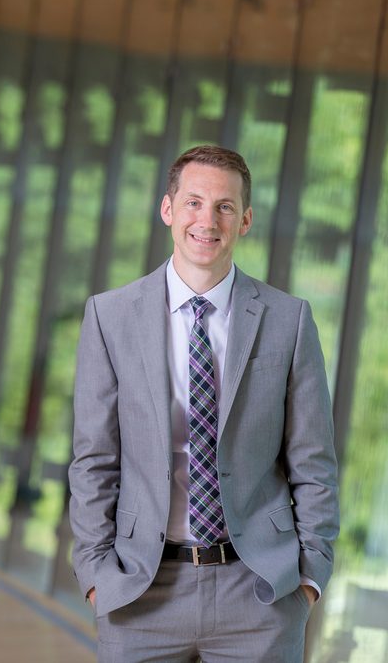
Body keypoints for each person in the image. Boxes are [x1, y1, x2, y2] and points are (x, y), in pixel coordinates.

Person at [69, 145, 339, 662]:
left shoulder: (289, 320)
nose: (207, 220)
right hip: (138, 591)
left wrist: (309, 577)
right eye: (193, 203)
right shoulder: (110, 317)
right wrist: (96, 574)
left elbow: (314, 461)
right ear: (168, 210)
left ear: (245, 221)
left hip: (259, 591)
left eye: (224, 207)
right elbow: (94, 459)